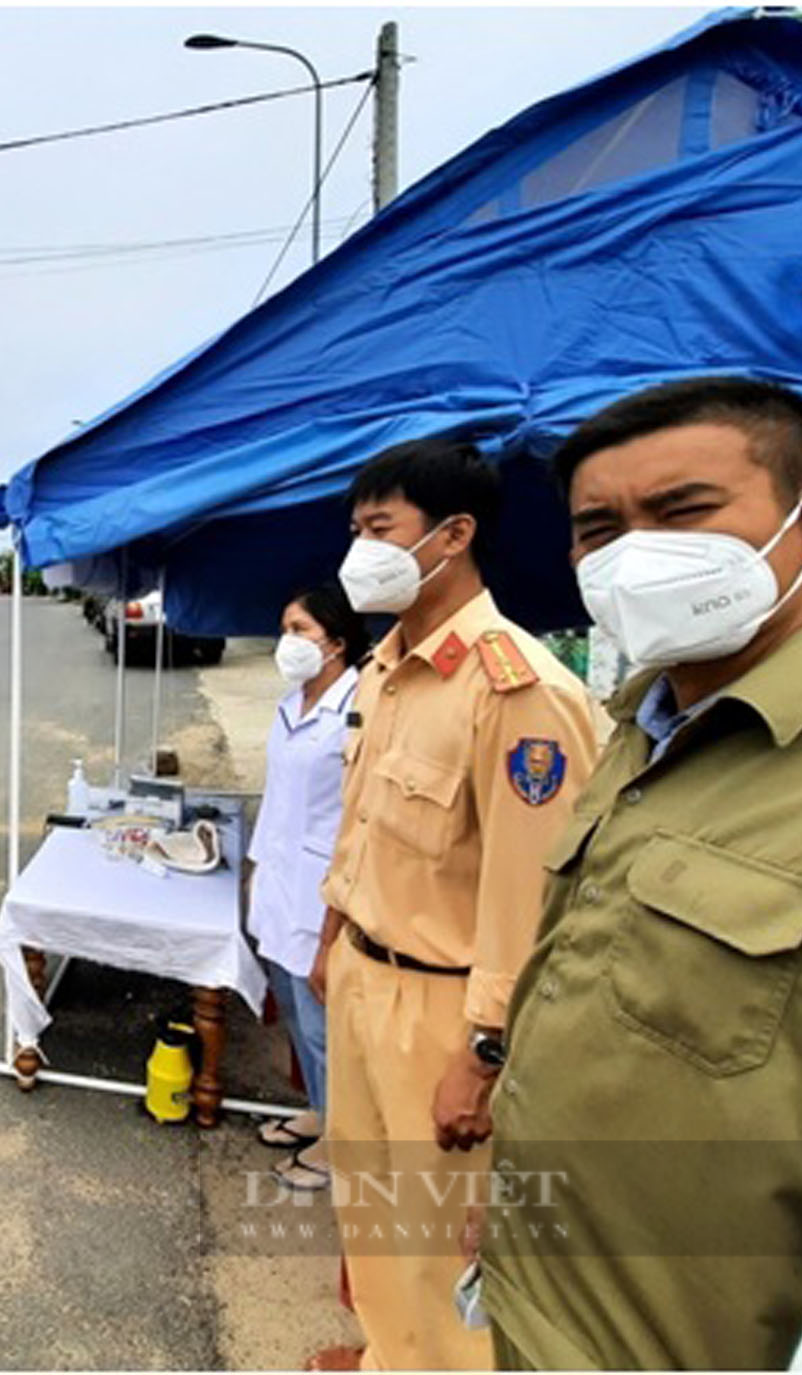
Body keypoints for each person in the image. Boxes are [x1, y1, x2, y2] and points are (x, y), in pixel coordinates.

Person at [474, 377, 802, 1369]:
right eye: (596, 528)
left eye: (681, 511)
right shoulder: (639, 730)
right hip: (535, 1312)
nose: (630, 554)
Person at [305, 438, 602, 1373]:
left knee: (444, 1245)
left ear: (454, 534)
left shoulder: (517, 690)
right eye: (355, 530)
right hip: (362, 976)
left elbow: (536, 899)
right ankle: (390, 1355)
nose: (361, 551)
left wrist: (483, 1057)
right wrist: (329, 940)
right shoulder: (387, 667)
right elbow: (360, 829)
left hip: (444, 1013)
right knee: (371, 1210)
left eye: (380, 529)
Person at [246, 582, 368, 1191]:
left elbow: (359, 816)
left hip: (322, 895)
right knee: (295, 1013)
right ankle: (321, 1114)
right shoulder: (291, 704)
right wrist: (254, 868)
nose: (286, 642)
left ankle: (340, 1146)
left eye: (300, 631)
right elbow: (277, 798)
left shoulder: (359, 710)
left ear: (338, 642)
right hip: (278, 882)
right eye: (284, 629)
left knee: (325, 1028)